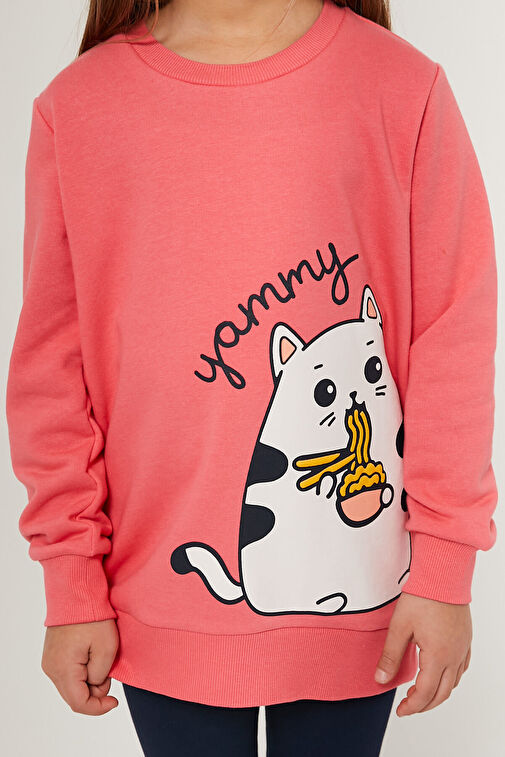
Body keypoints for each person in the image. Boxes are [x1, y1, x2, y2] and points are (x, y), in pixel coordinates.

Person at [5, 1, 498, 755]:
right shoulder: (77, 108)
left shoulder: (400, 86)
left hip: (362, 588)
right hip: (156, 597)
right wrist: (70, 577)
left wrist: (442, 567)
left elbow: (452, 339)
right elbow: (51, 366)